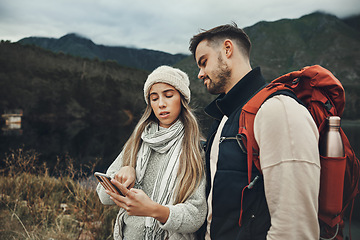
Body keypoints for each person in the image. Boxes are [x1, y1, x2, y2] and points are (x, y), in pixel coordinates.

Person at [189, 23, 320, 239]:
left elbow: (294, 230)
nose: (200, 74)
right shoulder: (225, 118)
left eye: (203, 62)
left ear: (227, 49)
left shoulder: (278, 110)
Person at [96, 65, 207, 240]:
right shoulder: (137, 142)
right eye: (154, 98)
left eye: (169, 95)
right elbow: (104, 197)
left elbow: (195, 215)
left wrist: (155, 210)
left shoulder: (195, 149)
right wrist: (123, 173)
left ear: (182, 99)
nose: (161, 103)